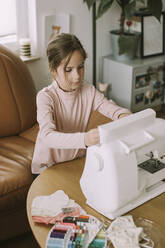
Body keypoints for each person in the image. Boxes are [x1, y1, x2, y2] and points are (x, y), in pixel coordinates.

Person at [31, 33, 131, 175]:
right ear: (53, 71)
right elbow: (47, 136)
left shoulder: (88, 91)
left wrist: (124, 116)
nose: (77, 76)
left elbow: (111, 109)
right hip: (47, 168)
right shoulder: (45, 97)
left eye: (81, 67)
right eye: (68, 70)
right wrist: (85, 139)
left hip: (76, 161)